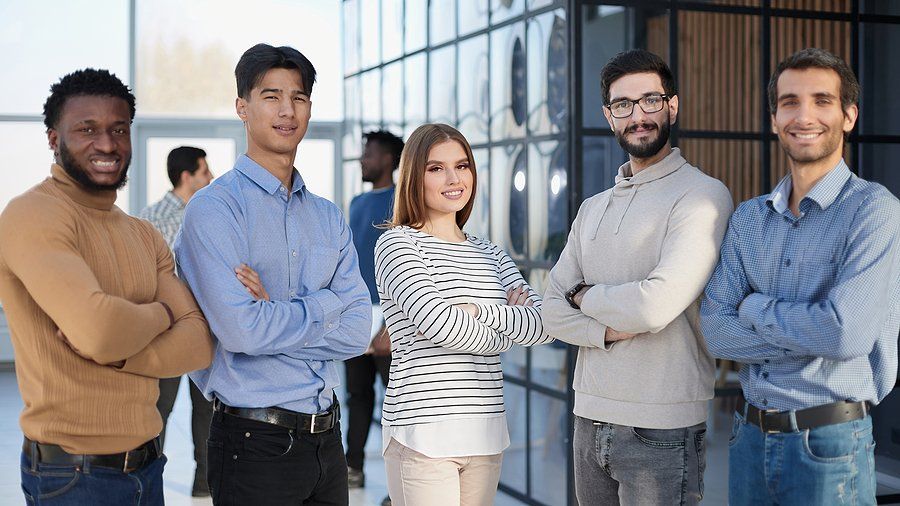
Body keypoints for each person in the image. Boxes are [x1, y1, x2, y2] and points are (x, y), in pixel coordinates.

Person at [0, 68, 212, 505]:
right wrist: (164, 314)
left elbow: (198, 345)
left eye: (118, 129)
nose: (107, 144)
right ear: (54, 139)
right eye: (87, 130)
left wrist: (120, 353)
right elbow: (99, 330)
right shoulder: (31, 215)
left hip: (148, 467)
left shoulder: (143, 233)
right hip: (73, 476)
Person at [174, 43, 372, 505]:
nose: (288, 110)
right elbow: (241, 331)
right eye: (271, 96)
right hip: (253, 443)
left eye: (299, 97)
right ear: (242, 107)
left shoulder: (327, 216)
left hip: (328, 442)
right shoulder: (214, 210)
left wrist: (274, 311)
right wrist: (326, 306)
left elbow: (357, 331)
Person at [701, 48, 900, 505]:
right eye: (790, 102)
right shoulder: (749, 219)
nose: (804, 116)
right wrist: (814, 334)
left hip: (830, 445)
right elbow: (715, 331)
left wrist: (754, 308)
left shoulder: (874, 211)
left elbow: (846, 334)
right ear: (774, 119)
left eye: (822, 100)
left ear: (849, 116)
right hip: (748, 439)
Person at [542, 49, 733, 505]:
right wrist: (606, 330)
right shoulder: (592, 208)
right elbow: (550, 309)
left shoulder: (701, 196)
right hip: (588, 414)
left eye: (650, 100)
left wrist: (583, 295)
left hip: (663, 424)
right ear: (609, 116)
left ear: (672, 106)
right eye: (623, 105)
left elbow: (654, 306)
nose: (638, 116)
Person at [374, 123, 553, 506]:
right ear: (414, 176)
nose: (454, 179)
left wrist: (476, 311)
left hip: (486, 434)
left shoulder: (490, 252)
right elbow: (441, 326)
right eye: (436, 168)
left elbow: (544, 325)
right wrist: (507, 324)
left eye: (462, 165)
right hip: (423, 436)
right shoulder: (398, 244)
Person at [138, 145, 214, 497]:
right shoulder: (150, 219)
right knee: (159, 411)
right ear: (187, 177)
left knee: (206, 410)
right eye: (204, 171)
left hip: (204, 331)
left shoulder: (208, 216)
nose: (211, 177)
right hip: (167, 334)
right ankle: (149, 481)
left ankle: (204, 484)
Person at [345, 130, 404, 489]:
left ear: (387, 159)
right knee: (357, 395)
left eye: (369, 154)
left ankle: (403, 480)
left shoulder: (403, 202)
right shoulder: (356, 202)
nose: (363, 160)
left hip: (391, 316)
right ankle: (352, 467)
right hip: (357, 315)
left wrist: (391, 325)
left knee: (398, 400)